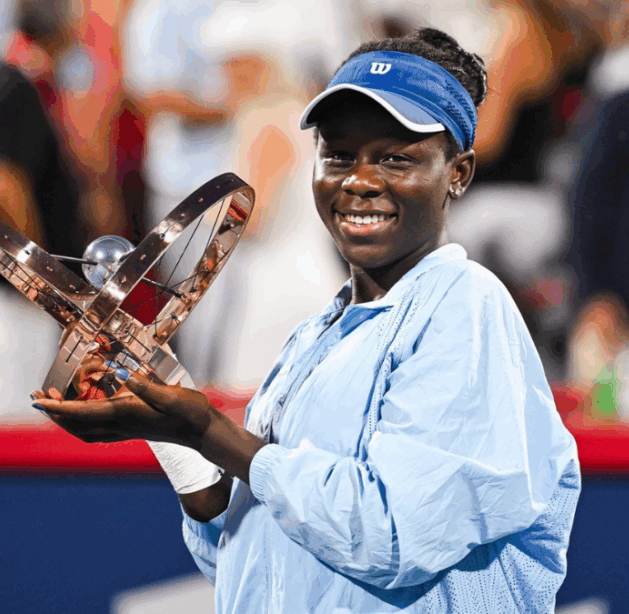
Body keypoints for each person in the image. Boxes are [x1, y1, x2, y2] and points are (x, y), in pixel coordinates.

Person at [32, 28, 580, 613]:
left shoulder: (467, 309)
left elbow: (390, 535)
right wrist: (173, 434)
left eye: (396, 157)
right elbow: (248, 554)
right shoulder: (315, 337)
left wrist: (207, 432)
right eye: (338, 154)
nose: (359, 181)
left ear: (458, 173)